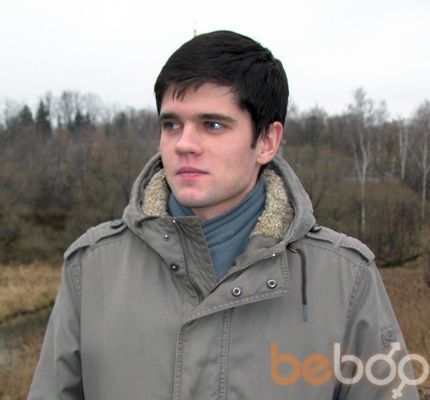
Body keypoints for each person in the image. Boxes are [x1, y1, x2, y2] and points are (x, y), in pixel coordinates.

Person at [29, 30, 420, 399]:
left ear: (267, 140)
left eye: (212, 125)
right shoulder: (91, 268)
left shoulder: (346, 278)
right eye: (171, 124)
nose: (184, 144)